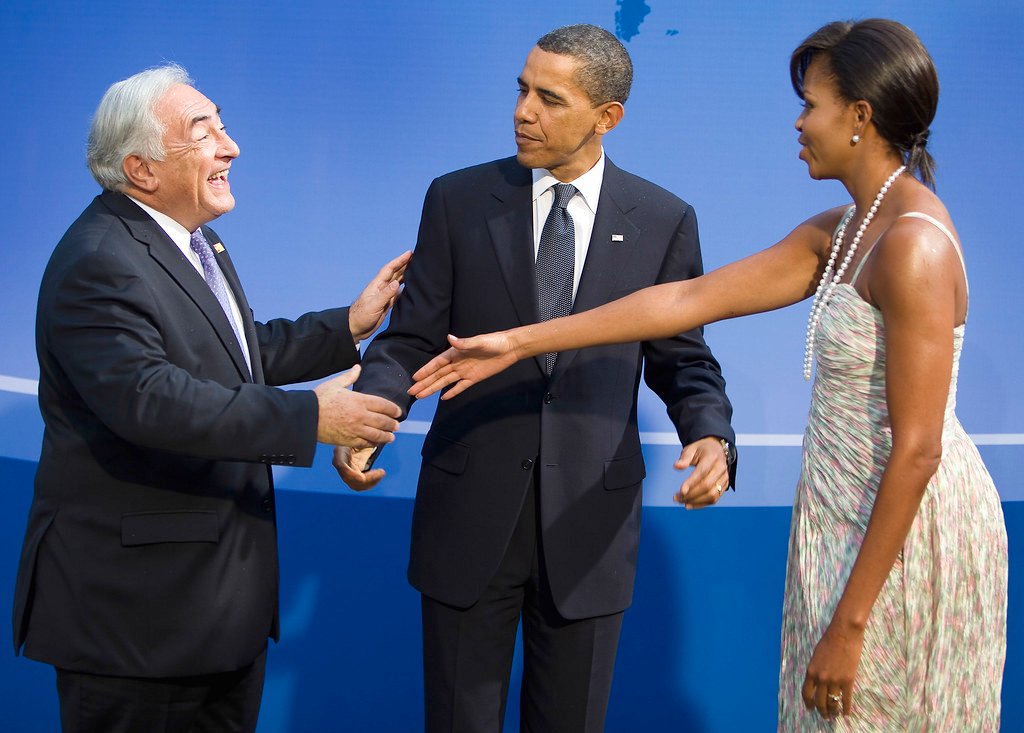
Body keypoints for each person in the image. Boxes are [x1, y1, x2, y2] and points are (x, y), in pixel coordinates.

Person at [410, 18, 1008, 731]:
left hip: (902, 533)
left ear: (860, 116)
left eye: (810, 105)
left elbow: (918, 448)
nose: (798, 121)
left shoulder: (913, 245)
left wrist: (849, 624)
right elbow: (686, 300)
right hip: (842, 516)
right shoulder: (842, 228)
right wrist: (520, 339)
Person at [333, 23, 736, 732]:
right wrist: (369, 412)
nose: (523, 111)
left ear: (606, 117)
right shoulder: (457, 200)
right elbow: (409, 339)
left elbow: (684, 359)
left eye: (549, 98)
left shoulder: (664, 220)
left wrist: (711, 435)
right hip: (468, 520)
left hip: (589, 529)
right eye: (521, 89)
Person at [12, 63, 409, 732]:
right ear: (142, 169)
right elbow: (153, 399)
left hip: (215, 614)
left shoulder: (196, 239)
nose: (231, 147)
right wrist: (313, 418)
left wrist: (348, 327)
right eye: (204, 133)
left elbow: (229, 350)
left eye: (222, 126)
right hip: (139, 625)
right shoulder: (97, 260)